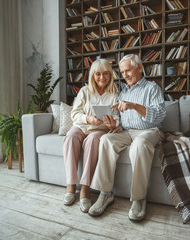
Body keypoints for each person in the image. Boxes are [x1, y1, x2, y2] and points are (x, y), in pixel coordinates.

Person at [88, 54, 166, 222]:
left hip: (149, 131)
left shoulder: (152, 88)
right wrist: (114, 126)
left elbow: (159, 116)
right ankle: (105, 193)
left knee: (140, 144)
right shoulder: (123, 92)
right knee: (106, 140)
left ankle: (138, 199)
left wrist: (134, 106)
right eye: (122, 72)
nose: (125, 75)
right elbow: (122, 120)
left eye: (128, 70)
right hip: (127, 131)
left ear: (139, 68)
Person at [63, 59, 118, 213]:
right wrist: (88, 118)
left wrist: (112, 124)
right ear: (93, 75)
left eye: (106, 73)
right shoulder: (85, 91)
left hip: (99, 130)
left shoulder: (114, 93)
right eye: (98, 74)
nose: (102, 77)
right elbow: (75, 113)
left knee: (93, 140)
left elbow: (117, 117)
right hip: (82, 126)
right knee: (70, 137)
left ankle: (85, 189)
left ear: (110, 74)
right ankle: (71, 186)